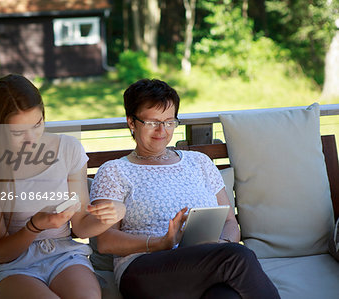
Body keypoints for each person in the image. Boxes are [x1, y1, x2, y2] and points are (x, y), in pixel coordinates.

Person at [90, 78, 280, 299]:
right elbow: (105, 241)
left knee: (226, 295)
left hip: (206, 264)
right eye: (152, 122)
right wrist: (161, 243)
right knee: (237, 256)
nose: (162, 130)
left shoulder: (198, 162)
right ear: (132, 122)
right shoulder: (114, 171)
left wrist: (222, 243)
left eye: (169, 122)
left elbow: (229, 221)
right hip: (145, 270)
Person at [0, 74, 125, 299]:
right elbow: (1, 253)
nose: (31, 139)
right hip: (13, 266)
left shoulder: (68, 149)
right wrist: (35, 225)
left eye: (37, 124)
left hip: (64, 254)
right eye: (18, 133)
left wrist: (113, 214)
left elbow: (80, 227)